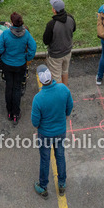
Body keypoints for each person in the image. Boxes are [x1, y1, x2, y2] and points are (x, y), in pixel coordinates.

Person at [31, 65, 73, 198]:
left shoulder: (38, 98)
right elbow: (69, 106)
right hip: (60, 131)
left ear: (41, 80)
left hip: (45, 134)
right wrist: (64, 115)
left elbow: (35, 122)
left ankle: (43, 186)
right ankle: (62, 184)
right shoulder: (63, 89)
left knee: (45, 159)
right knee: (60, 155)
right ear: (50, 76)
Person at [0, 12, 36, 125]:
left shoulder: (6, 34)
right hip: (20, 65)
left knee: (9, 87)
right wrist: (27, 57)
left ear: (12, 23)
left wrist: (4, 54)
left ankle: (9, 111)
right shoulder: (26, 34)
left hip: (7, 64)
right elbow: (33, 47)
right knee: (17, 88)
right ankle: (16, 113)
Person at [42, 0, 76, 84]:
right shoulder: (70, 18)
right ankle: (65, 91)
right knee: (65, 72)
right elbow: (74, 29)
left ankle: (60, 96)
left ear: (54, 10)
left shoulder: (51, 24)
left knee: (56, 77)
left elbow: (46, 41)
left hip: (56, 55)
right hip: (67, 52)